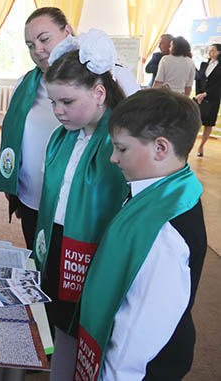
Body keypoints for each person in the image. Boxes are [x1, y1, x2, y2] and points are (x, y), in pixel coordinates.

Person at [74, 88, 206, 380]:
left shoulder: (163, 232)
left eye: (121, 149)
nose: (113, 158)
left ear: (160, 148)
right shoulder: (163, 190)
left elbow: (139, 327)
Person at [0, 7, 138, 251]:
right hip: (34, 197)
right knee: (40, 259)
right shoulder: (26, 83)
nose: (37, 50)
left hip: (87, 206)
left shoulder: (111, 75)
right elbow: (17, 137)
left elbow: (136, 140)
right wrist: (15, 188)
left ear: (67, 32)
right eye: (30, 45)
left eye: (44, 39)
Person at [32, 30, 128, 380]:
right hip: (60, 242)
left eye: (67, 102)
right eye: (53, 102)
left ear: (99, 93)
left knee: (88, 330)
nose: (58, 111)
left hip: (95, 253)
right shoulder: (64, 137)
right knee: (62, 323)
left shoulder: (122, 143)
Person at [194, 43, 221, 157]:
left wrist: (206, 94)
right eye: (209, 50)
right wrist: (198, 94)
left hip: (213, 98)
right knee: (196, 121)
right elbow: (198, 79)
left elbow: (219, 84)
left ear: (219, 52)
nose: (210, 52)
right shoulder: (204, 64)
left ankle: (201, 146)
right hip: (199, 98)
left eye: (213, 50)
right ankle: (189, 144)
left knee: (208, 123)